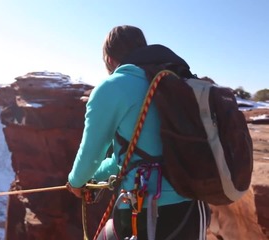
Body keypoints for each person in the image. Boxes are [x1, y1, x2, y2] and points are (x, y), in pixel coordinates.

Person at [66, 25, 210, 240]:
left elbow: (92, 154)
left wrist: (77, 182)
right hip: (194, 207)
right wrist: (97, 177)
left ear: (109, 59)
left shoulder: (112, 87)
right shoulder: (177, 81)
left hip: (145, 209)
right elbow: (127, 158)